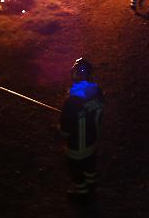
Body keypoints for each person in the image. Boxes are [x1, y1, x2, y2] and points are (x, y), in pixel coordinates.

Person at [59, 58, 104, 201]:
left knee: (76, 170)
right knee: (90, 163)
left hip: (76, 147)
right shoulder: (98, 91)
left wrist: (57, 130)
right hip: (94, 140)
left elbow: (65, 131)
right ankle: (91, 182)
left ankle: (82, 193)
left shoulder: (70, 101)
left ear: (73, 75)